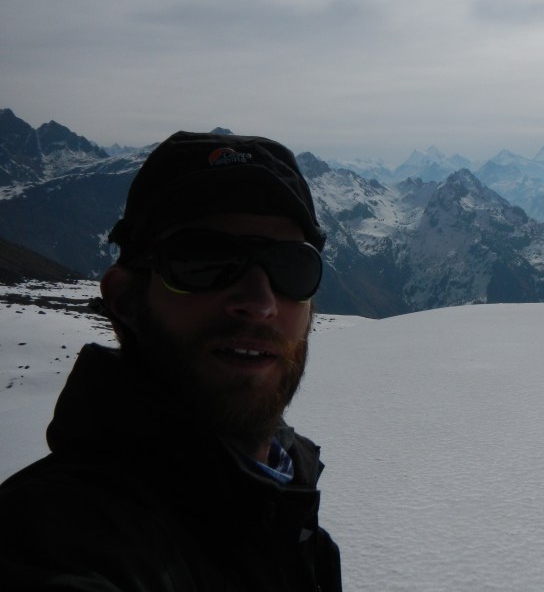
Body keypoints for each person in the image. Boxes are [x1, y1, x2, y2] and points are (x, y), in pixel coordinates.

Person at [0, 131, 341, 591]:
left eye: (292, 267)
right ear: (125, 301)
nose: (261, 304)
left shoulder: (290, 515)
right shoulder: (49, 536)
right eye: (204, 261)